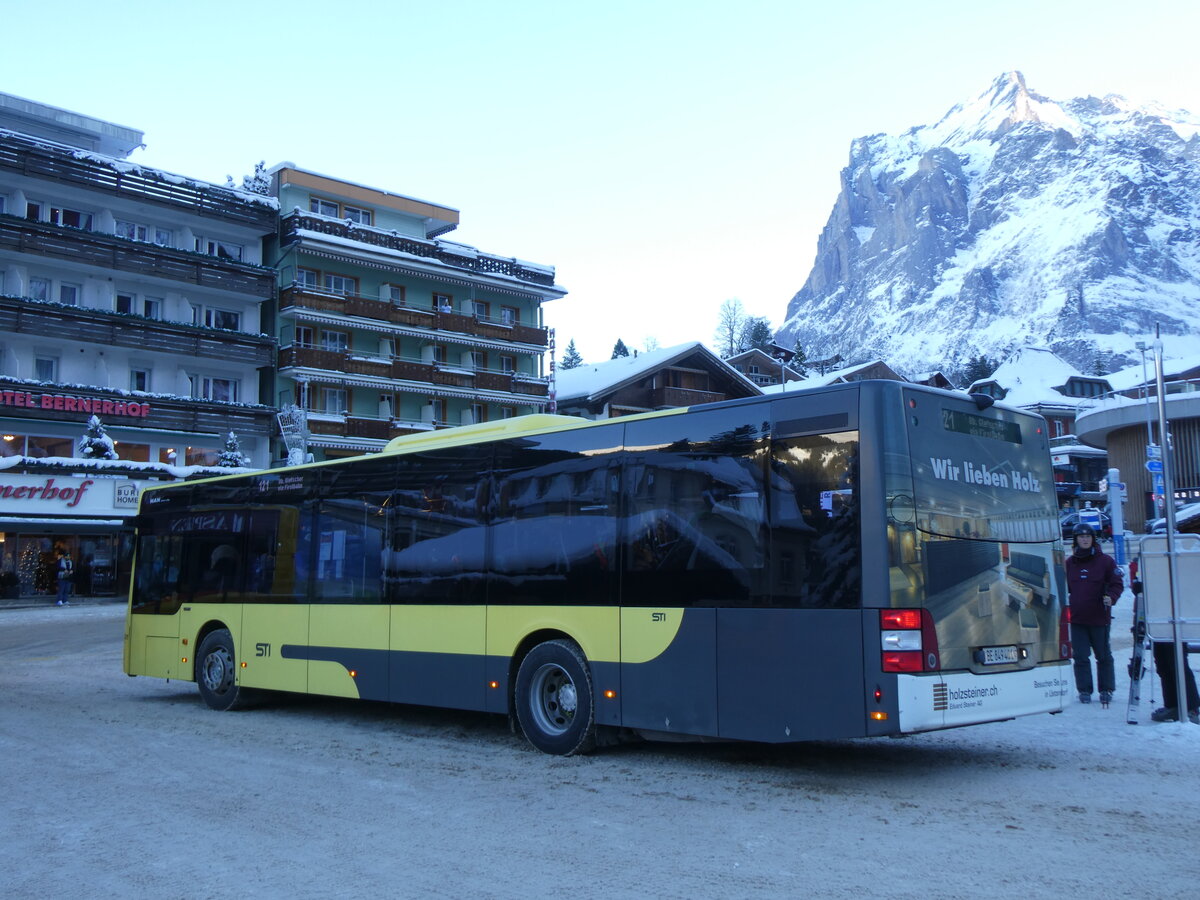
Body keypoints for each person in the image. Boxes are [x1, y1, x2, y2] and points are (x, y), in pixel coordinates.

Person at [1064, 523, 1122, 705]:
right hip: (1077, 618)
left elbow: (1117, 584)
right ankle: (1084, 690)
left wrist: (1111, 597)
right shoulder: (1069, 563)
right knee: (1080, 656)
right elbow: (1062, 585)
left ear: (1093, 539)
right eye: (1081, 537)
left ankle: (1106, 689)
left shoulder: (1105, 561)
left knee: (1103, 655)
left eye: (1088, 537)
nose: (1084, 539)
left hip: (1099, 617)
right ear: (1076, 540)